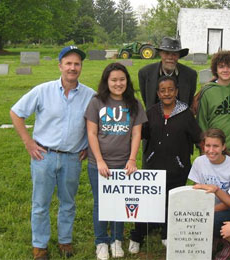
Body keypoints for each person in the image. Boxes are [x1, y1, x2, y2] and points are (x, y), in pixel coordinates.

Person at [10, 46, 95, 259]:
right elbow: (16, 112)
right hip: (43, 156)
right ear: (60, 66)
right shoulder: (43, 90)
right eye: (68, 63)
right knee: (40, 203)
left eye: (76, 64)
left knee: (68, 202)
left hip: (72, 158)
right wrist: (28, 142)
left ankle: (65, 241)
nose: (72, 68)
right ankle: (40, 245)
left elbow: (94, 125)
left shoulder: (90, 95)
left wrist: (87, 144)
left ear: (81, 67)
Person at [128, 76, 201, 254]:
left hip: (178, 168)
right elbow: (140, 133)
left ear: (176, 91)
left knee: (172, 203)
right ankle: (137, 235)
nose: (167, 93)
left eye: (170, 90)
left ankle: (167, 234)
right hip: (153, 168)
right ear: (158, 93)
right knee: (147, 202)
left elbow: (198, 138)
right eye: (163, 90)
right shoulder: (152, 112)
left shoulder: (186, 114)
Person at [85, 63, 147, 260]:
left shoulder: (134, 103)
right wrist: (100, 161)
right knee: (101, 204)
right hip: (99, 164)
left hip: (123, 163)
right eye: (113, 80)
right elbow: (92, 133)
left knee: (121, 203)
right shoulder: (96, 102)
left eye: (122, 79)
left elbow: (137, 134)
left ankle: (117, 239)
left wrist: (132, 159)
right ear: (107, 81)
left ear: (127, 81)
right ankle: (101, 241)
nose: (118, 83)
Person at [188, 128, 230, 260]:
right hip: (208, 207)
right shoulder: (199, 162)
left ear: (223, 147)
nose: (211, 150)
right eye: (207, 145)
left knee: (213, 220)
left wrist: (210, 211)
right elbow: (196, 188)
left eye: (216, 146)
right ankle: (213, 238)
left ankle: (228, 243)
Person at [138, 36, 197, 109]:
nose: (170, 57)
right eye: (166, 53)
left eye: (174, 54)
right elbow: (147, 101)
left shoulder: (190, 75)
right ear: (160, 54)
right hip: (154, 118)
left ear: (179, 55)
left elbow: (189, 101)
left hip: (180, 118)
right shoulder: (145, 73)